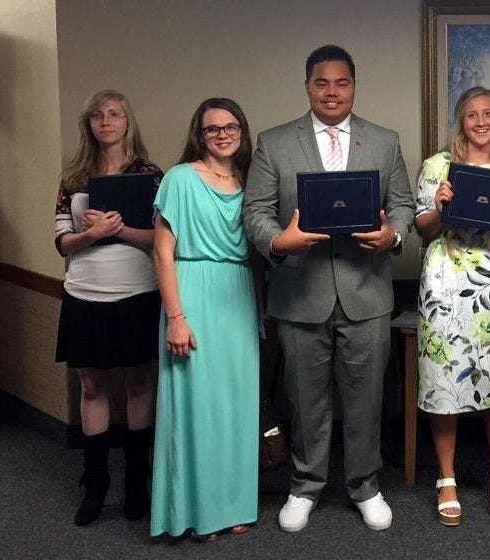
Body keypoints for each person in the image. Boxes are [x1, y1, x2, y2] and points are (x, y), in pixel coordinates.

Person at [242, 44, 413, 533]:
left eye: (341, 82)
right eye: (322, 82)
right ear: (307, 87)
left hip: (367, 291)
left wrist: (392, 235)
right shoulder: (274, 142)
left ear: (353, 86)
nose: (331, 91)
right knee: (305, 398)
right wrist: (279, 240)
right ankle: (305, 486)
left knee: (365, 399)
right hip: (299, 292)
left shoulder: (384, 140)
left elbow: (400, 205)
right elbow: (255, 211)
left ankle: (366, 486)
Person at [414, 87, 490, 526]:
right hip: (445, 282)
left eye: (488, 114)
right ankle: (446, 478)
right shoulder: (437, 165)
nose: (480, 121)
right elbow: (423, 228)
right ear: (460, 121)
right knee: (444, 377)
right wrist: (441, 206)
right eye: (470, 115)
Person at [149, 98, 258, 541]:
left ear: (242, 131)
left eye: (230, 126)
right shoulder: (178, 179)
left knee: (235, 407)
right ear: (200, 133)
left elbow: (255, 256)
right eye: (212, 128)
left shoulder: (251, 181)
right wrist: (175, 317)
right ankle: (193, 510)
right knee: (194, 408)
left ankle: (231, 504)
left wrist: (261, 314)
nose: (222, 134)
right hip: (191, 292)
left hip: (238, 296)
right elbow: (161, 252)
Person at [54, 89, 161, 526]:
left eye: (114, 114)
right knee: (92, 387)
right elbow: (62, 242)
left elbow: (161, 239)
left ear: (126, 121)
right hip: (83, 293)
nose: (105, 122)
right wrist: (92, 236)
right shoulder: (73, 177)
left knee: (138, 382)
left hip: (136, 292)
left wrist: (118, 232)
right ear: (88, 124)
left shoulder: (150, 175)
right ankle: (95, 483)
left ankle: (138, 482)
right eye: (97, 115)